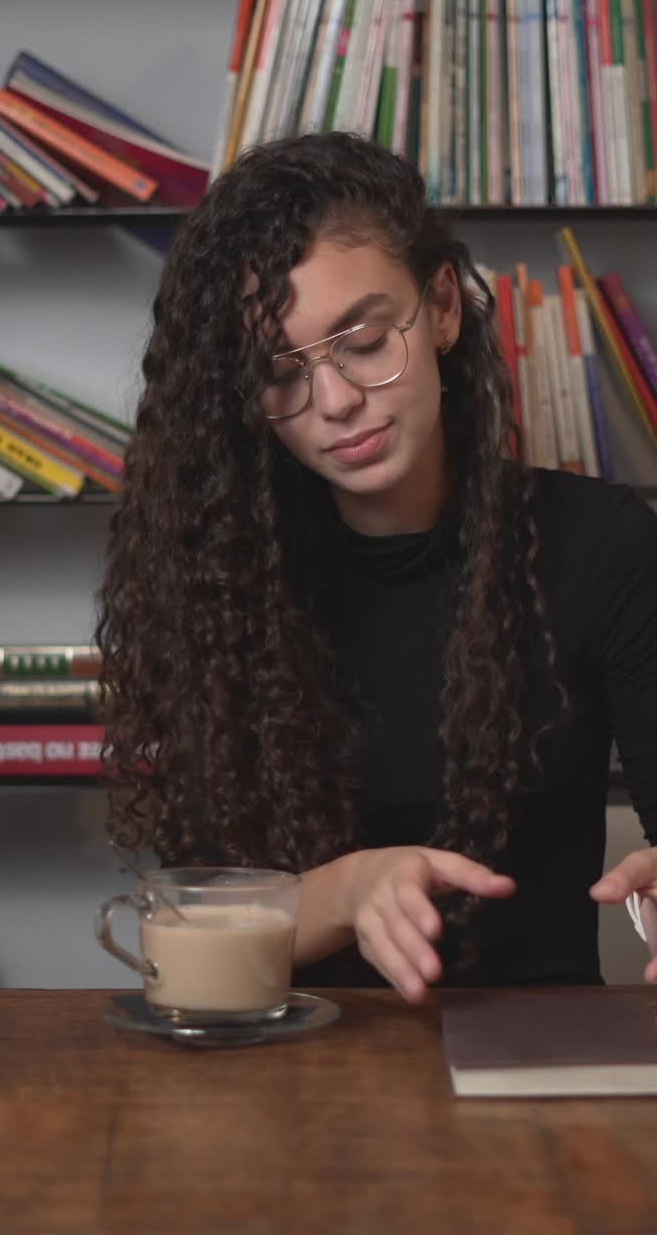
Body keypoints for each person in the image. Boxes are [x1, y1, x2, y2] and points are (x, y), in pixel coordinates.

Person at [96, 132, 657, 1000]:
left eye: (361, 339)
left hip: (540, 1076)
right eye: (280, 370)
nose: (334, 401)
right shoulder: (219, 577)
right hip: (293, 1074)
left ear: (440, 308)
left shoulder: (604, 543)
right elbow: (185, 940)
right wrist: (355, 889)